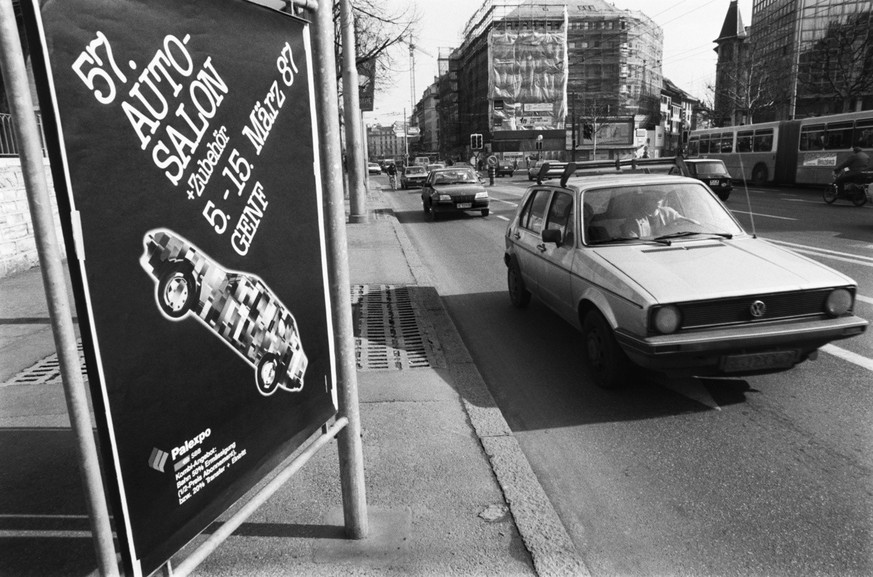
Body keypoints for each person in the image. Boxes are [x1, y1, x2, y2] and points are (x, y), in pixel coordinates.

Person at [621, 192, 686, 238]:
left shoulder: (668, 212)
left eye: (660, 197)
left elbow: (687, 223)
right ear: (645, 200)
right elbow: (634, 243)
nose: (658, 200)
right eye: (653, 198)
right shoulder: (634, 219)